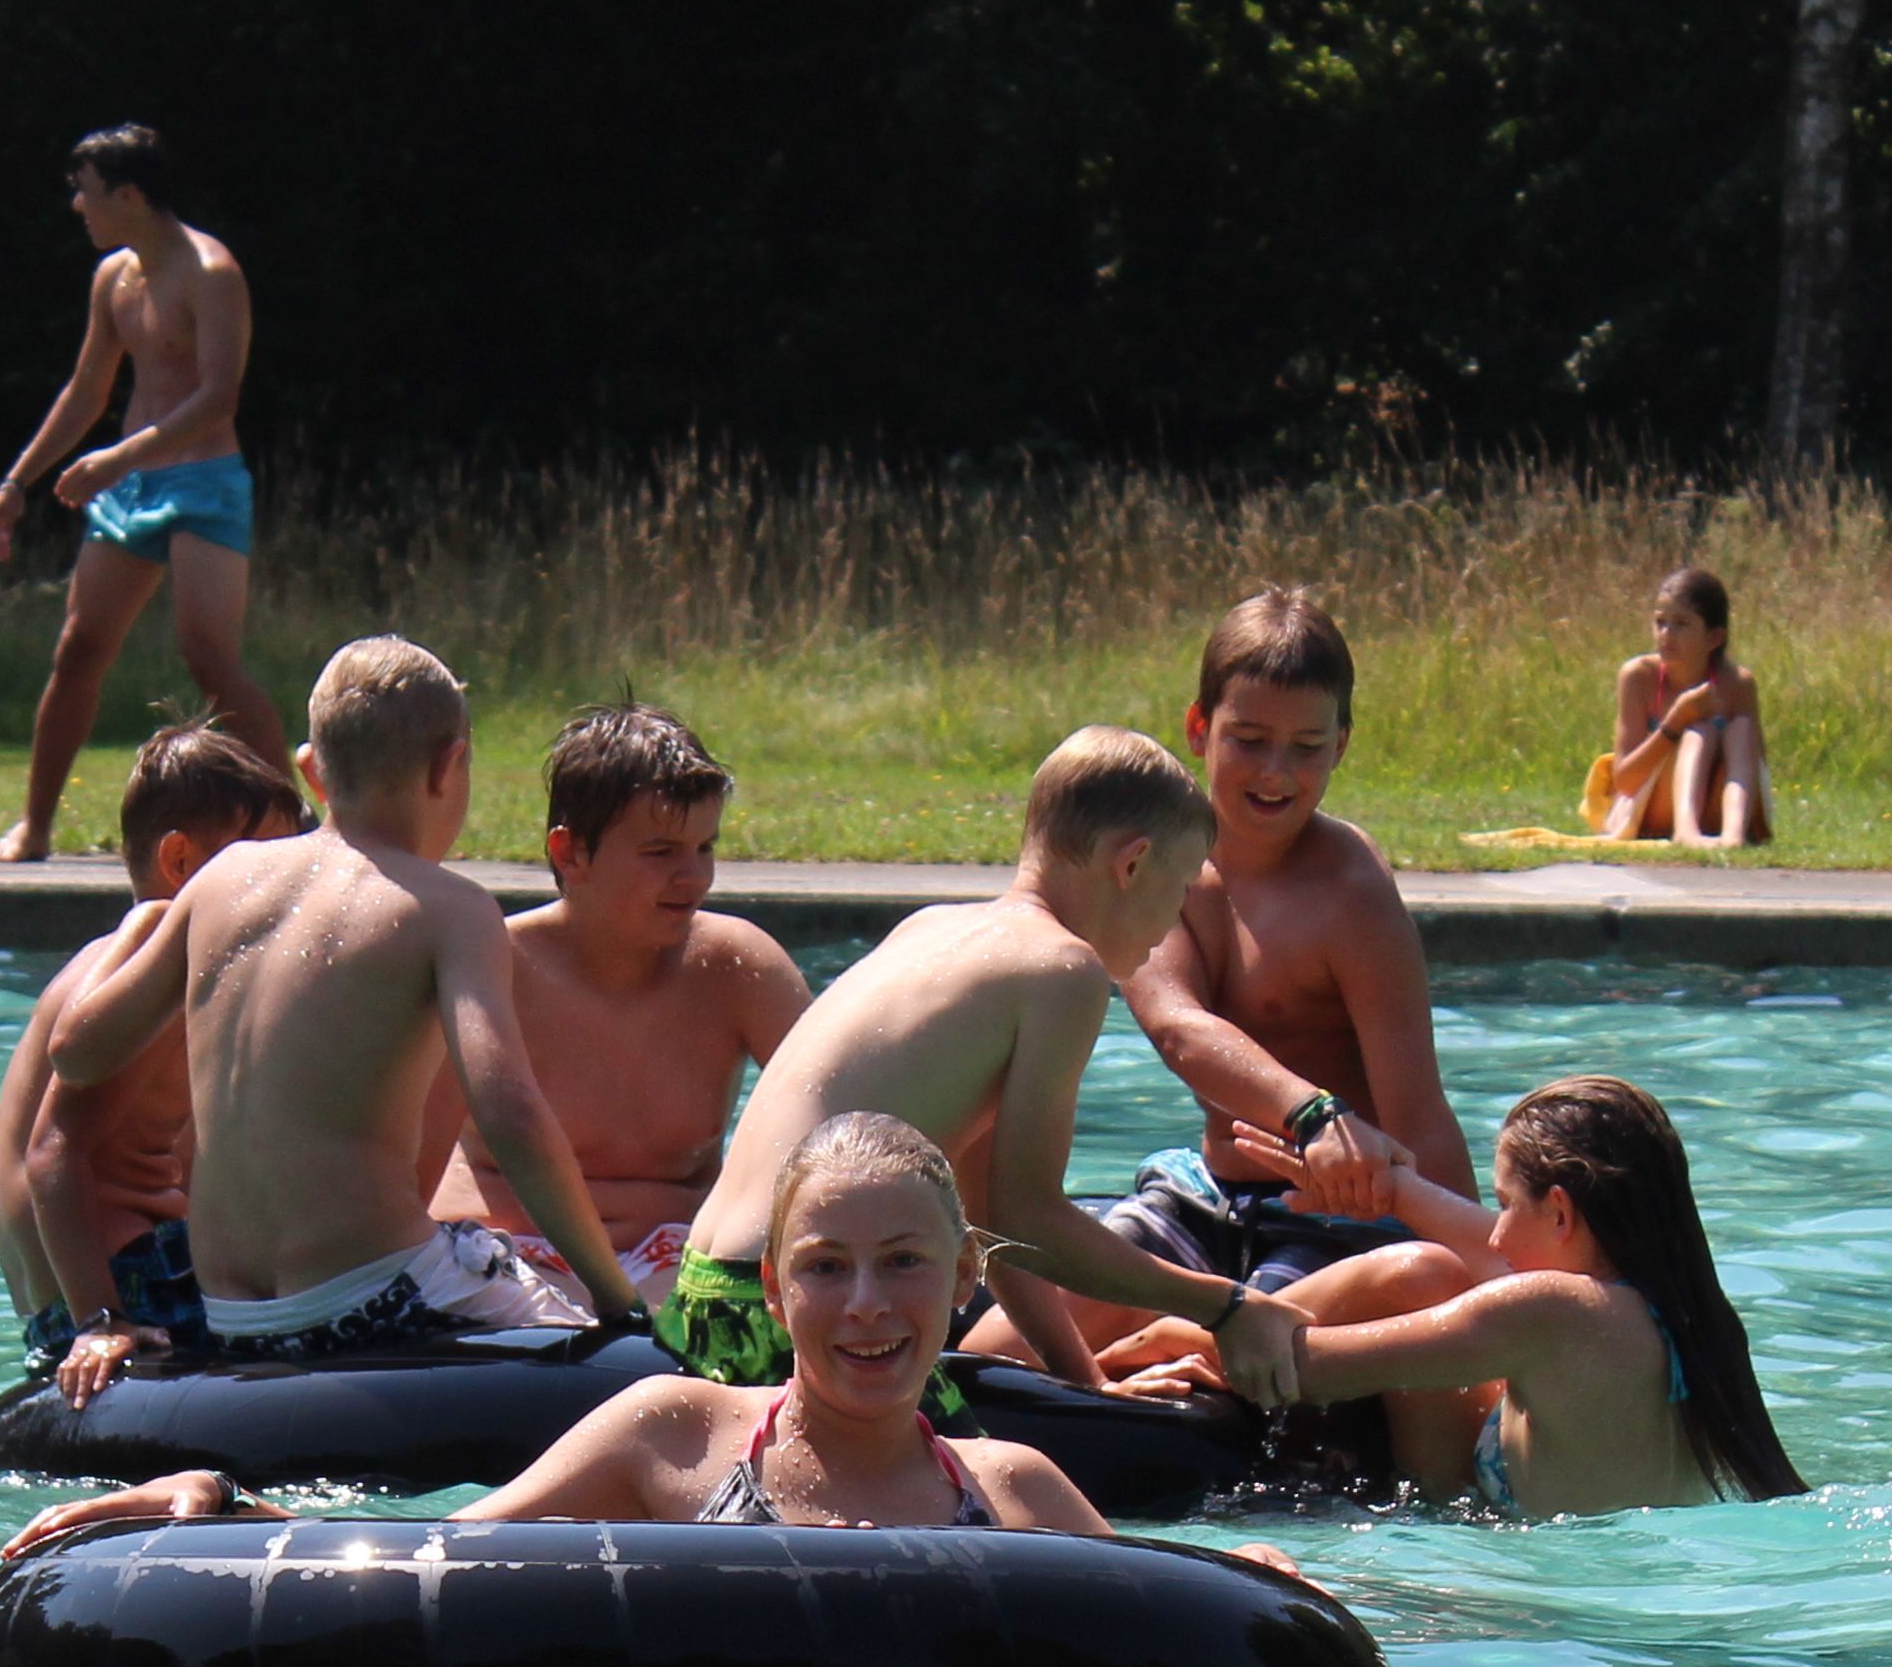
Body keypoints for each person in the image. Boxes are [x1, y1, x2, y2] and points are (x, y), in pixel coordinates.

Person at [6, 1113, 1116, 1558]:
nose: (866, 1303)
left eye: (905, 1261)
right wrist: (216, 1498)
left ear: (963, 1280)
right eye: (826, 1267)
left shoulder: (1014, 1492)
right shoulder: (674, 1436)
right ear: (775, 1295)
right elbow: (428, 1554)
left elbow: (1178, 1626)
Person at [39, 634, 648, 1377]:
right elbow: (510, 1113)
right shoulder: (448, 908)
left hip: (231, 1313)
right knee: (615, 1359)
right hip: (374, 1296)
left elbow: (75, 1051)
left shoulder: (220, 879)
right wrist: (617, 1298)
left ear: (312, 770)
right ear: (450, 765)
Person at [667, 730, 1313, 1408]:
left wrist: (1086, 1381)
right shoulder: (1064, 970)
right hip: (795, 1312)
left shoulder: (932, 928)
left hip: (714, 1292)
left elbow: (993, 1220)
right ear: (1133, 863)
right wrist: (1226, 1305)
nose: (1171, 925)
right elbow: (1034, 1218)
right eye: (1179, 891)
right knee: (1002, 1475)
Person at [1096, 1075, 1809, 1516]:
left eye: (1507, 1203)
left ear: (1561, 1212)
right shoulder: (1686, 1313)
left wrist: (1187, 1328)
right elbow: (1488, 1249)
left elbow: (1300, 1367)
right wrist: (1388, 1190)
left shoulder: (1549, 1312)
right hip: (1604, 1567)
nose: (1495, 1229)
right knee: (1420, 1270)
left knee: (1410, 1273)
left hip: (1514, 1577)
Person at [1105, 587, 1472, 1302]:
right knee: (1011, 1338)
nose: (1275, 772)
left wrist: (1483, 1273)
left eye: (1306, 748)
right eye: (1249, 740)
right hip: (1206, 1195)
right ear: (1199, 727)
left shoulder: (1349, 891)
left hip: (1336, 1217)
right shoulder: (1155, 866)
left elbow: (1418, 1115)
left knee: (1263, 1340)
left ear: (1340, 746)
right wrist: (1314, 1115)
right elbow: (1178, 1028)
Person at [0, 125, 290, 860]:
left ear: (129, 195)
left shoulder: (211, 272)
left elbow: (218, 397)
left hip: (204, 481)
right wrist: (16, 482)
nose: (77, 205)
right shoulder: (114, 276)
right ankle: (35, 827)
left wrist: (117, 457)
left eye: (85, 191)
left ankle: (296, 823)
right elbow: (87, 390)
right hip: (131, 485)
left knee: (207, 654)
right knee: (79, 648)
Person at [421, 703, 808, 1310]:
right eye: (660, 852)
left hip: (677, 1257)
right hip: (507, 1252)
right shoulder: (494, 966)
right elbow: (400, 1161)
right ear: (570, 852)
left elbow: (843, 1128)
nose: (694, 877)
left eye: (704, 847)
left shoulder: (736, 967)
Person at [0, 724, 310, 1372]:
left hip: (69, 1297)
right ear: (180, 862)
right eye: (262, 863)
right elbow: (53, 1153)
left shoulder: (111, 960)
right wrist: (100, 1322)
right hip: (127, 1284)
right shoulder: (157, 956)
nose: (283, 887)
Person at [1587, 566, 1770, 847]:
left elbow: (1754, 770)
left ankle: (1733, 835)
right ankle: (1686, 831)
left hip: (1714, 809)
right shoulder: (1638, 677)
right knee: (1699, 731)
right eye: (1660, 622)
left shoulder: (1738, 684)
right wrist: (1675, 722)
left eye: (1681, 624)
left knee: (1741, 729)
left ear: (1714, 638)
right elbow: (1625, 781)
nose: (1666, 634)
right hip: (1651, 810)